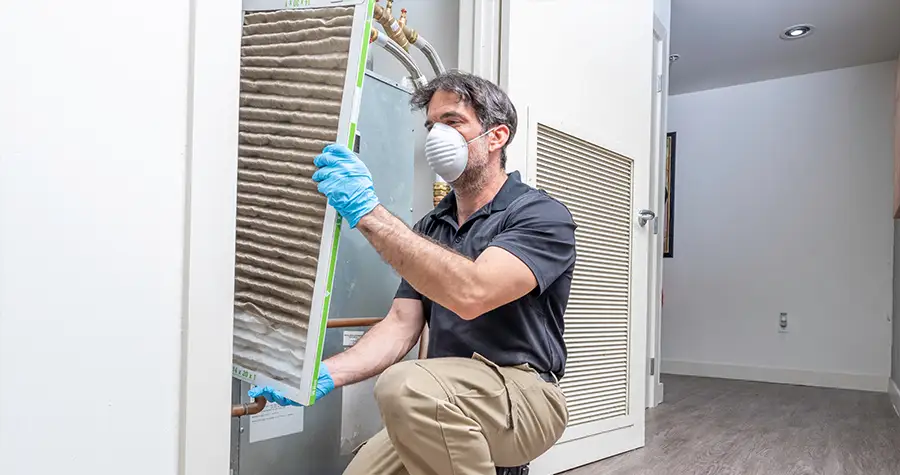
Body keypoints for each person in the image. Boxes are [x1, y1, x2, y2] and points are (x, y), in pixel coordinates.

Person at [250, 71, 577, 475]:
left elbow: (473, 292)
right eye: (432, 125)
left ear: (496, 137)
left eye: (453, 122)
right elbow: (401, 325)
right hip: (439, 395)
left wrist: (369, 214)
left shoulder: (539, 215)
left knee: (403, 385)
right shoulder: (431, 227)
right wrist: (323, 374)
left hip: (525, 394)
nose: (437, 135)